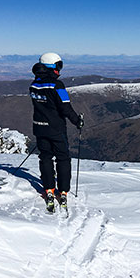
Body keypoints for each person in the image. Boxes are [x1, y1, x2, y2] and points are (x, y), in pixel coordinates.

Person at [29, 52, 83, 212]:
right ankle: (63, 190)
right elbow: (65, 107)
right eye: (59, 66)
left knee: (45, 157)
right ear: (52, 67)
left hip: (39, 127)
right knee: (63, 158)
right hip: (56, 129)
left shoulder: (33, 84)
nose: (60, 69)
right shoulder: (57, 85)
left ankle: (48, 189)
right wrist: (77, 121)